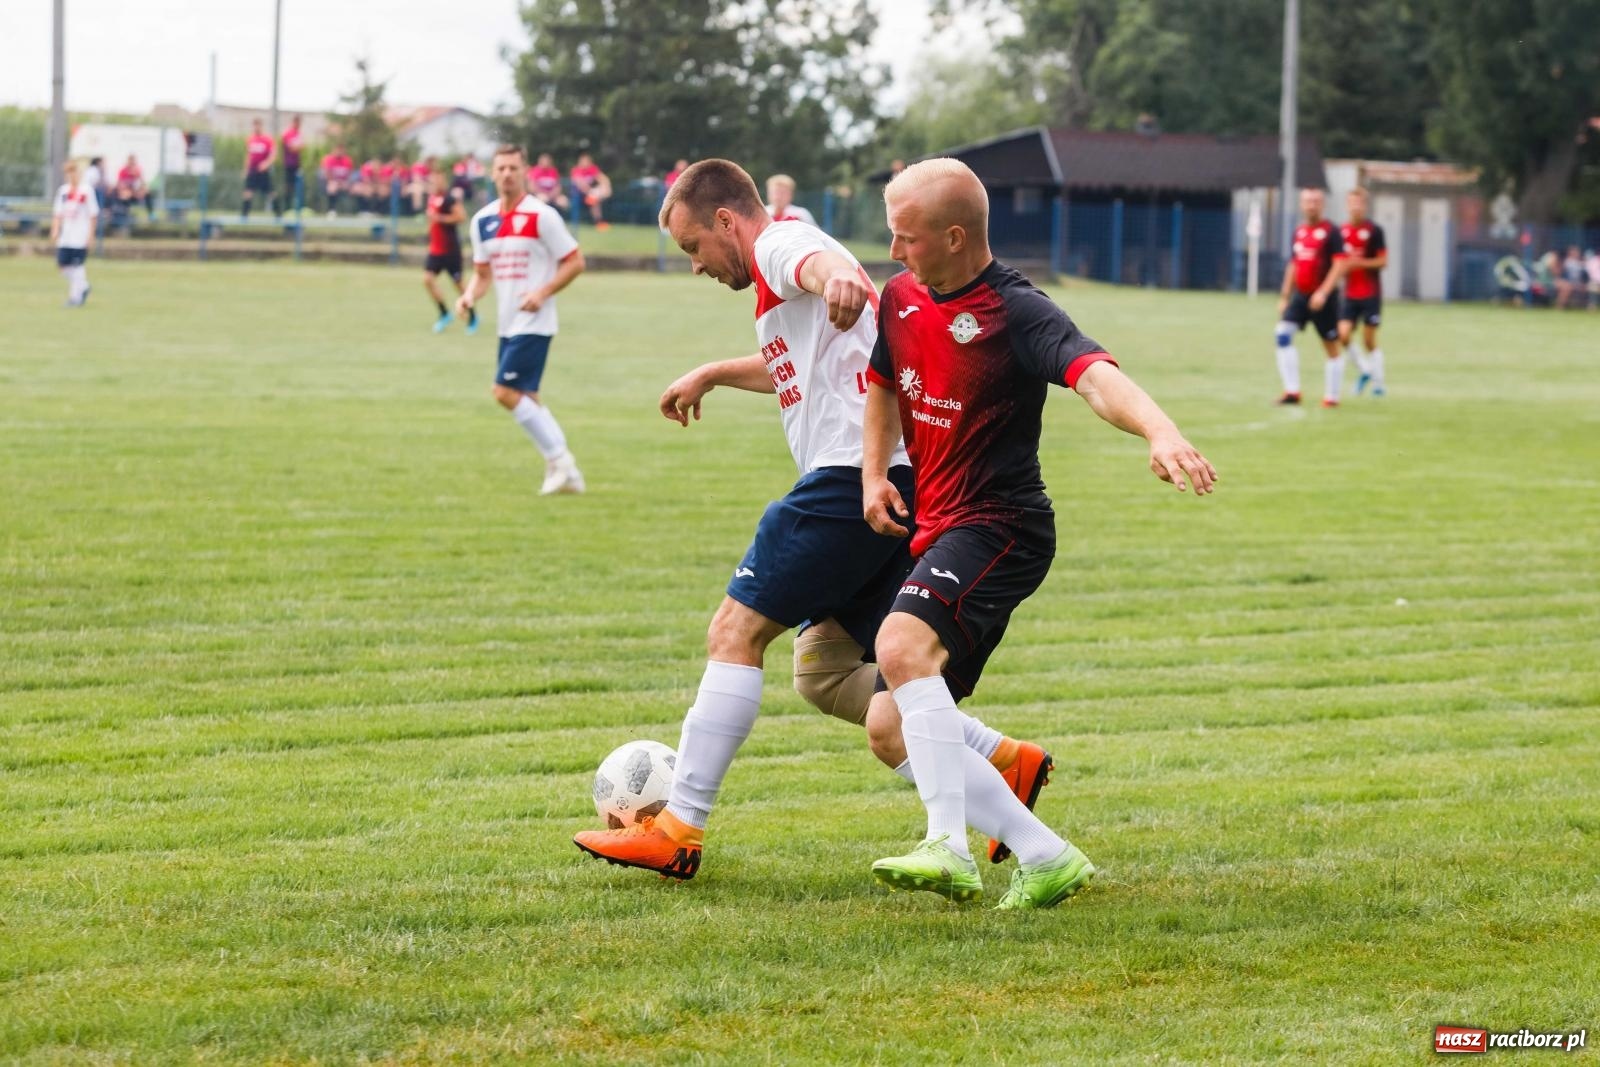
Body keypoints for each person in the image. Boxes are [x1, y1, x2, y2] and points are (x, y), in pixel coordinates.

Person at [571, 159, 1055, 882]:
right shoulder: (776, 281)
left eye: (694, 248)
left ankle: (679, 826)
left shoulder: (779, 243)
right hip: (900, 487)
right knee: (826, 671)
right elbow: (794, 362)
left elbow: (831, 269)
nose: (697, 266)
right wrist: (712, 372)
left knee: (734, 633)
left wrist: (838, 275)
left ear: (728, 221)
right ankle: (997, 757)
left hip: (845, 482)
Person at [862, 158, 1217, 908]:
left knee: (898, 646)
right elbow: (884, 383)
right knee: (890, 727)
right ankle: (1045, 854)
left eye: (907, 238)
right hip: (939, 525)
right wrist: (873, 475)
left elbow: (1093, 373)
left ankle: (948, 846)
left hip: (1002, 526)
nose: (894, 253)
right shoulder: (900, 297)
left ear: (955, 237)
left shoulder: (1016, 312)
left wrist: (1160, 429)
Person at [455, 145, 588, 495]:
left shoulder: (541, 216)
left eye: (513, 168)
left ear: (525, 171)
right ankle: (567, 474)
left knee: (503, 391)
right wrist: (469, 295)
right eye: (500, 168)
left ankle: (561, 460)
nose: (507, 174)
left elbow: (575, 261)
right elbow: (482, 274)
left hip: (536, 321)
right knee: (527, 396)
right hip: (507, 323)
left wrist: (542, 293)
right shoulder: (482, 222)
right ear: (492, 173)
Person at [1273, 188, 1345, 407]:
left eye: (1315, 201)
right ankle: (1292, 392)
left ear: (1322, 205)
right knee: (1282, 334)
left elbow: (1340, 264)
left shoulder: (1332, 232)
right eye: (1307, 201)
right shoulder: (1300, 232)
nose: (1311, 205)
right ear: (1302, 204)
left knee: (1330, 345)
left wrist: (1323, 292)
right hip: (1301, 296)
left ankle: (1332, 397)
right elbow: (1294, 264)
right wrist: (1285, 296)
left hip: (1324, 298)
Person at [1335, 188, 1389, 397]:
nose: (1355, 207)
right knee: (1343, 335)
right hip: (1348, 294)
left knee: (1368, 340)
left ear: (1365, 206)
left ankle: (1378, 383)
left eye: (1359, 203)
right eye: (1352, 203)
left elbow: (1383, 261)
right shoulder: (1341, 232)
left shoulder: (1374, 231)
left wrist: (1360, 263)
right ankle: (1365, 370)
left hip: (1370, 293)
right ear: (1347, 206)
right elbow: (1338, 262)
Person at [423, 166, 475, 334]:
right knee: (428, 280)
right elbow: (431, 221)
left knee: (459, 285)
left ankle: (473, 316)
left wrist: (440, 218)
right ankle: (444, 313)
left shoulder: (449, 199)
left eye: (438, 178)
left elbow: (461, 216)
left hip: (450, 249)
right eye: (433, 178)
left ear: (443, 180)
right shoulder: (431, 198)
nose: (435, 182)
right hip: (435, 250)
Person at [51, 159, 99, 307]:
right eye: (68, 173)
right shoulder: (63, 192)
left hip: (80, 236)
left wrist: (90, 235)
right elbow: (57, 213)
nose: (71, 176)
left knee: (78, 266)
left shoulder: (86, 191)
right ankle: (83, 286)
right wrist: (55, 229)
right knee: (63, 266)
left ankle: (75, 298)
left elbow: (93, 215)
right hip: (66, 236)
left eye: (74, 172)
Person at [242, 118, 276, 219]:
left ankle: (278, 214)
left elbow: (273, 154)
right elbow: (248, 155)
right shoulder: (250, 139)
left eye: (258, 125)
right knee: (248, 192)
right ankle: (244, 216)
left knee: (270, 193)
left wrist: (266, 163)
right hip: (252, 170)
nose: (256, 127)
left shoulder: (267, 139)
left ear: (261, 126)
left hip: (263, 171)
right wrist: (246, 169)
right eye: (255, 125)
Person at [569, 152, 611, 230]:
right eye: (583, 161)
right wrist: (591, 192)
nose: (585, 163)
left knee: (595, 198)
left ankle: (598, 222)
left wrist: (606, 186)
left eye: (587, 161)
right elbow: (581, 185)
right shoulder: (576, 170)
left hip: (591, 195)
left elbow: (604, 179)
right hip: (578, 195)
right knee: (594, 197)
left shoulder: (592, 169)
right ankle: (598, 222)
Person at [113, 154, 155, 222]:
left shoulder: (137, 170)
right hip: (126, 195)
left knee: (147, 194)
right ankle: (125, 217)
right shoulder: (123, 171)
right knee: (125, 196)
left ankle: (151, 214)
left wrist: (141, 190)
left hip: (135, 194)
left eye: (133, 162)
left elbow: (142, 183)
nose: (132, 164)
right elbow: (120, 185)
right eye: (131, 162)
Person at [279, 115, 305, 214]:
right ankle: (286, 207)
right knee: (288, 187)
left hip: (297, 164)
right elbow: (292, 148)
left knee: (297, 186)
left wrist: (298, 147)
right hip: (289, 164)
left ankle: (296, 208)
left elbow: (301, 146)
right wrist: (298, 147)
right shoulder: (288, 134)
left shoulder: (298, 133)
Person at [320, 144, 354, 216]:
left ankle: (361, 211)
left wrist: (346, 182)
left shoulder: (347, 161)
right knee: (332, 187)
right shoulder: (329, 160)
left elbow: (349, 175)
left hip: (344, 183)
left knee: (359, 188)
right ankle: (331, 209)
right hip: (331, 182)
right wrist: (336, 182)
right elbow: (327, 174)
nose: (339, 152)